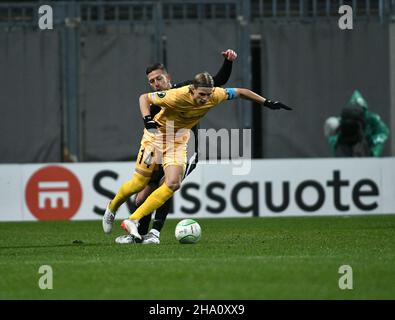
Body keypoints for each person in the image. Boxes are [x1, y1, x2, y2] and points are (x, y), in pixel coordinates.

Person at [103, 71, 292, 241]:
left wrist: (267, 102)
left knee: (172, 184)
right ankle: (112, 208)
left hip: (178, 142)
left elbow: (241, 91)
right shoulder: (175, 96)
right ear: (192, 90)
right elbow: (144, 98)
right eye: (201, 94)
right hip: (156, 139)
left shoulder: (215, 95)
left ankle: (133, 220)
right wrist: (148, 120)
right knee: (138, 184)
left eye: (208, 95)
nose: (205, 99)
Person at [112, 49, 238, 245]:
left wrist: (228, 62)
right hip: (162, 150)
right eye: (152, 82)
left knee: (167, 184)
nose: (156, 84)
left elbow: (219, 80)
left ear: (167, 77)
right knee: (140, 199)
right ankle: (138, 235)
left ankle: (154, 233)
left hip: (186, 149)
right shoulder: (157, 100)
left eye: (158, 79)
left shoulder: (188, 89)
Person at [324, 90, 389, 157]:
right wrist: (335, 142)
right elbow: (331, 135)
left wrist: (373, 142)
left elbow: (383, 132)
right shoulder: (340, 121)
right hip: (344, 147)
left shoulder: (372, 118)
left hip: (364, 147)